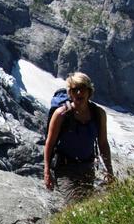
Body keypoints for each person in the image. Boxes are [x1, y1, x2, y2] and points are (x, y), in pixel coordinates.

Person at [44, 72, 114, 201]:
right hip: (65, 169)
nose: (78, 93)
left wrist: (110, 171)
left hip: (88, 167)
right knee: (75, 203)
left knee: (87, 204)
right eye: (74, 89)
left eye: (82, 89)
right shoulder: (61, 114)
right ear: (70, 93)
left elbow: (103, 143)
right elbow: (50, 143)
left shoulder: (98, 114)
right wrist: (47, 171)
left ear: (89, 92)